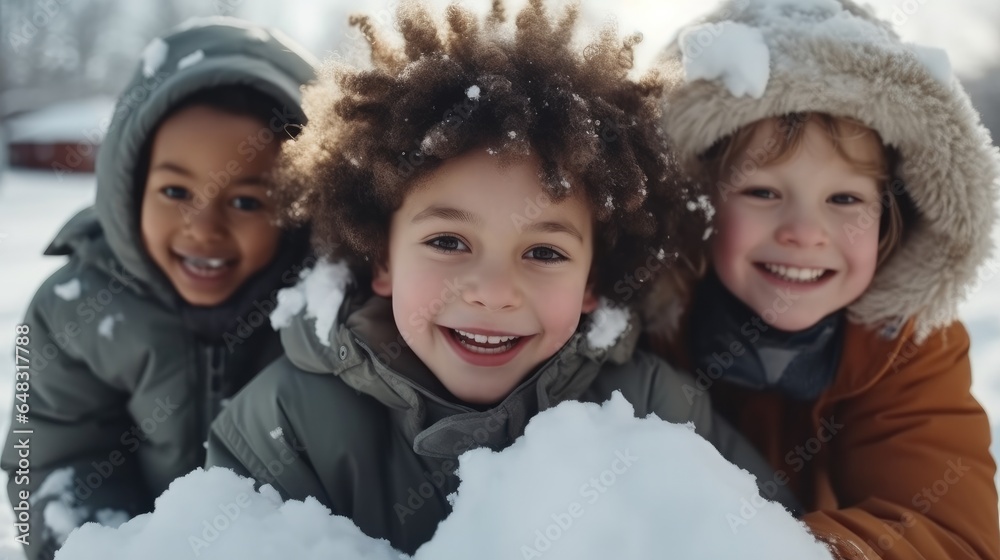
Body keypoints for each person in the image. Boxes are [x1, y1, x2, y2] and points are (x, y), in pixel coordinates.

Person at [205, 0, 799, 554]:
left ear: (595, 277)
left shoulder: (653, 408)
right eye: (447, 242)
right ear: (382, 260)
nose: (492, 291)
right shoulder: (285, 424)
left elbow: (772, 540)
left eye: (543, 253)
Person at [645, 1, 1000, 558]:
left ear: (890, 218)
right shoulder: (639, 328)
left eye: (845, 199)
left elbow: (952, 537)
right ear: (695, 203)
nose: (805, 232)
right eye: (762, 191)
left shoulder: (904, 345)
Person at [1, 19, 316, 560]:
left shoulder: (325, 308)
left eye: (246, 201)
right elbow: (47, 463)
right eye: (175, 190)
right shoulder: (67, 312)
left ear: (298, 209)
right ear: (129, 186)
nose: (202, 228)